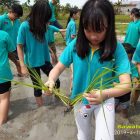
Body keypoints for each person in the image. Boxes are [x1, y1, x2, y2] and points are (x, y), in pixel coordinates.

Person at [45, 0, 131, 139]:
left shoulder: (116, 48)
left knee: (105, 137)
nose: (93, 36)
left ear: (109, 26)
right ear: (82, 27)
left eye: (99, 30)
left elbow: (127, 84)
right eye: (88, 30)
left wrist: (105, 94)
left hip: (105, 99)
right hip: (80, 100)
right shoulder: (75, 45)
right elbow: (58, 67)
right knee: (83, 135)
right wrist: (50, 80)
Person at [17, 0, 60, 107]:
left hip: (44, 59)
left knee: (56, 81)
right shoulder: (25, 26)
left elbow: (43, 42)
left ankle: (58, 100)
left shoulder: (44, 25)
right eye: (45, 18)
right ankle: (41, 108)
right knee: (37, 86)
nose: (47, 21)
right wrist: (22, 66)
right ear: (38, 15)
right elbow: (19, 46)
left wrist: (51, 52)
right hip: (31, 62)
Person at [0, 30, 20, 125]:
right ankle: (2, 123)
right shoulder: (4, 35)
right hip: (2, 74)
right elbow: (10, 53)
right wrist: (17, 62)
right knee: (4, 99)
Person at [115, 45, 139, 118]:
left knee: (124, 109)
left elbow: (135, 76)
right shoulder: (113, 64)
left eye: (128, 58)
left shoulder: (131, 66)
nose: (126, 61)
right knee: (112, 106)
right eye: (124, 58)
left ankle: (124, 115)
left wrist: (136, 83)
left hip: (126, 92)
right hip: (114, 90)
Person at [0, 4, 23, 75]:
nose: (16, 18)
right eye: (15, 16)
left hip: (14, 46)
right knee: (4, 63)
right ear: (10, 11)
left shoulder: (17, 21)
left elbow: (19, 33)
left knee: (18, 62)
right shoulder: (1, 19)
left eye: (18, 17)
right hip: (4, 47)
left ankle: (20, 75)